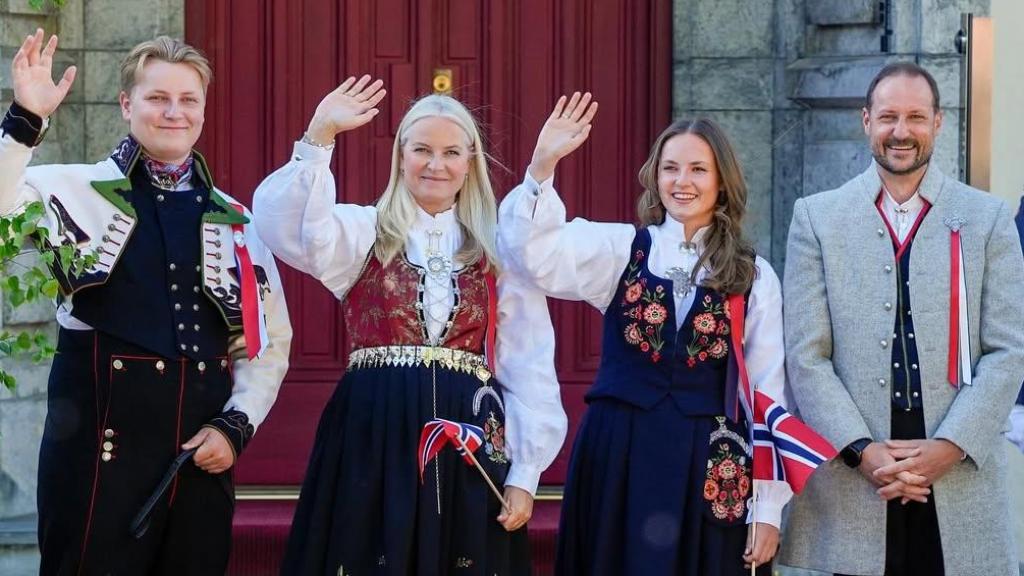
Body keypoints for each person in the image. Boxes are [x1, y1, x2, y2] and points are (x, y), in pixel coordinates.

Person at [0, 31, 292, 575]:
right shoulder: (69, 188)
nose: (174, 112)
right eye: (158, 98)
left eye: (188, 100)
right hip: (93, 464)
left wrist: (236, 426)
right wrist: (24, 121)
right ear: (127, 103)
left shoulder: (237, 219)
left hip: (197, 463)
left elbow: (267, 345)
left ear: (204, 109)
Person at [251, 77, 567, 576]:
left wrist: (526, 472)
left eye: (450, 152)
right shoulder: (362, 232)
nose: (435, 164)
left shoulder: (499, 249)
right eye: (422, 149)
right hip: (375, 428)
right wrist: (318, 138)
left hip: (469, 437)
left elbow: (528, 362)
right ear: (401, 156)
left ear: (470, 163)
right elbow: (287, 228)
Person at [499, 94, 792, 575]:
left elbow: (767, 393)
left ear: (722, 180)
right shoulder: (620, 250)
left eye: (698, 169)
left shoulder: (752, 274)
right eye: (671, 168)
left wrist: (768, 509)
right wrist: (542, 165)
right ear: (656, 177)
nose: (682, 181)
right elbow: (530, 254)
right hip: (621, 450)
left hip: (710, 460)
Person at [779, 62, 1024, 576]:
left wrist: (950, 446)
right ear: (866, 121)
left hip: (960, 474)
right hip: (854, 474)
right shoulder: (817, 217)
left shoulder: (988, 218)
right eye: (888, 116)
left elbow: (1010, 349)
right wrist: (864, 451)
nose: (901, 131)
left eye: (916, 116)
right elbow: (806, 355)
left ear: (938, 122)